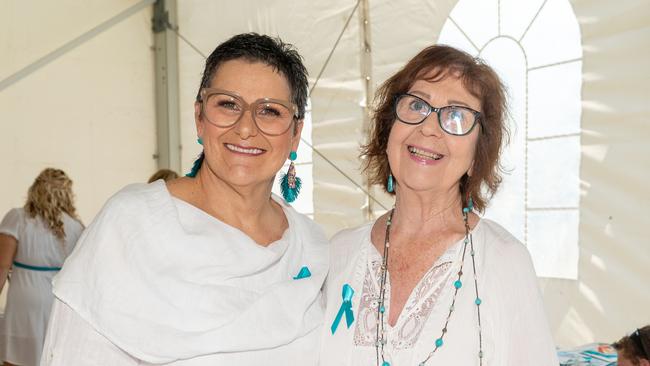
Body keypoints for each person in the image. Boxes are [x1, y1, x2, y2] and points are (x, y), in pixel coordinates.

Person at [40, 33, 328, 365]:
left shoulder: (312, 247)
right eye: (228, 104)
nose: (246, 128)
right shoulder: (133, 225)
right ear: (199, 118)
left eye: (269, 111)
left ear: (295, 133)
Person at [320, 45, 558, 365]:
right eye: (417, 105)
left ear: (477, 155)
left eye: (457, 115)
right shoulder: (338, 254)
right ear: (389, 128)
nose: (429, 127)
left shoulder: (503, 260)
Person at [0, 168, 83, 366]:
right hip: (58, 301)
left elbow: (2, 266)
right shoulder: (76, 226)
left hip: (25, 301)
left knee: (17, 357)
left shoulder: (18, 218)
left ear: (35, 189)